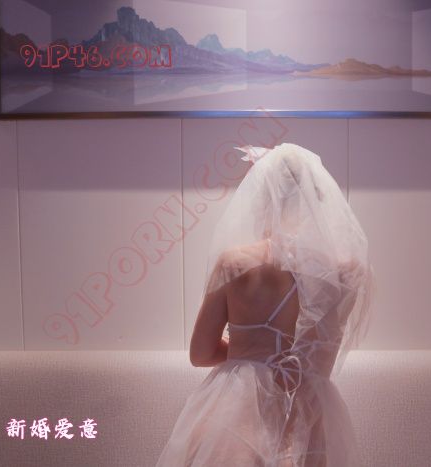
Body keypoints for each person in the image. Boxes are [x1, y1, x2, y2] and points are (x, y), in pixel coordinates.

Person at [155, 142, 375, 467]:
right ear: (318, 199)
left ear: (261, 199)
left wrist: (249, 353)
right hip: (311, 425)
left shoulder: (236, 264)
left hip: (238, 420)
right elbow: (321, 349)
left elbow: (200, 353)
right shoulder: (348, 273)